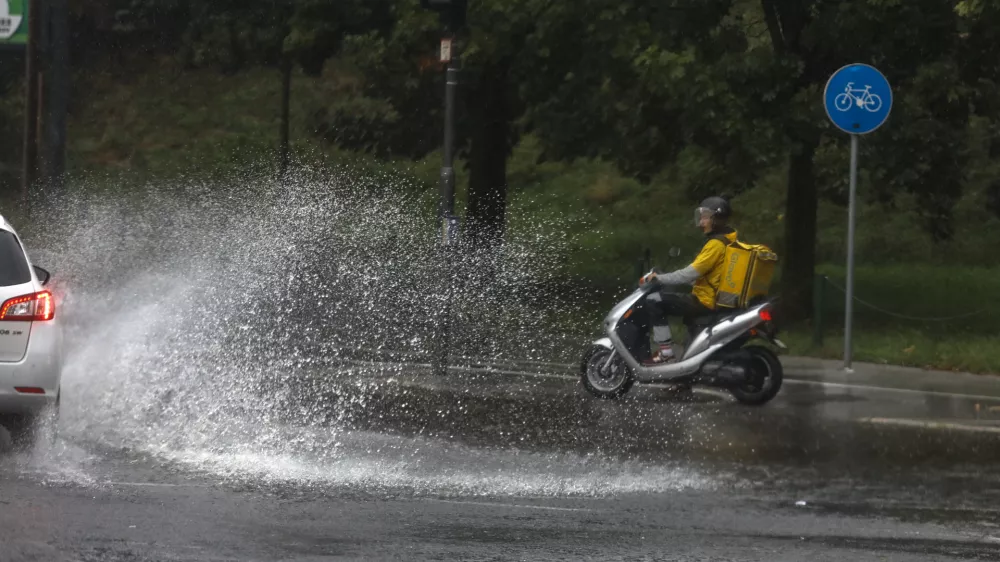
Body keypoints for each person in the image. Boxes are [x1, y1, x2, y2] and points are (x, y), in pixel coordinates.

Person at [637, 196, 737, 364]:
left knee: (654, 301)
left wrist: (659, 278)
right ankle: (682, 376)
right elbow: (711, 275)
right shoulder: (731, 239)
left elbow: (689, 274)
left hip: (705, 300)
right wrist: (672, 279)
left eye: (705, 217)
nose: (701, 223)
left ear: (717, 218)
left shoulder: (716, 245)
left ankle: (666, 353)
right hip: (714, 296)